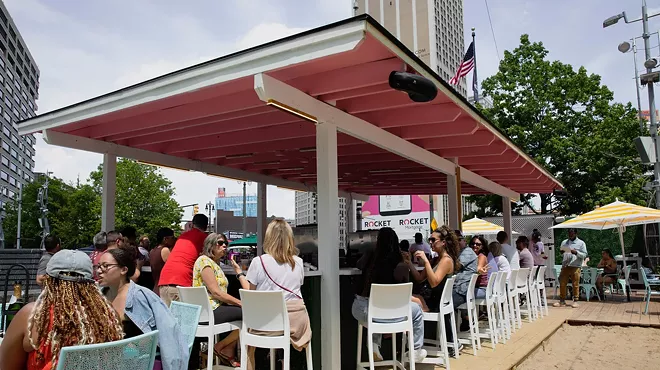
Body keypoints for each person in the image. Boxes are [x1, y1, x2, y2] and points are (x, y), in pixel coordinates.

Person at [0, 250, 123, 370]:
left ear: (48, 280)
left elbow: (5, 366)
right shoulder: (108, 315)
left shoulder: (31, 314)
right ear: (90, 284)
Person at [230, 218, 313, 370]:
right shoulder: (299, 262)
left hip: (266, 323)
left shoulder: (258, 262)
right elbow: (297, 286)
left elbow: (250, 293)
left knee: (248, 341)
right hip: (295, 324)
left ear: (269, 238)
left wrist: (239, 274)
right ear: (290, 238)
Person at [99, 245, 188, 370]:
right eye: (98, 266)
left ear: (123, 270)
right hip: (106, 356)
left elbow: (167, 334)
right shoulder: (99, 296)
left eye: (105, 266)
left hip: (135, 357)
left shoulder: (141, 297)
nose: (99, 271)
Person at [350, 227, 426, 362]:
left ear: (378, 241)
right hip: (390, 313)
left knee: (376, 310)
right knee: (417, 311)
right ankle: (415, 350)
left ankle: (374, 346)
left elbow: (358, 264)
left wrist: (370, 252)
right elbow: (403, 291)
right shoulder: (401, 265)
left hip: (362, 309)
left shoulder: (371, 255)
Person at [408, 226, 461, 355]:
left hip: (434, 303)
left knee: (402, 300)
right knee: (402, 298)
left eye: (433, 240)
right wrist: (408, 262)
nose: (430, 242)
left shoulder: (446, 260)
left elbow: (434, 282)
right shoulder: (437, 259)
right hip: (428, 299)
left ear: (443, 242)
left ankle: (413, 347)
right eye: (429, 239)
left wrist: (426, 262)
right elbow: (420, 278)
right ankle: (411, 345)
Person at [192, 233, 242, 368]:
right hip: (210, 311)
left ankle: (224, 347)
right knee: (249, 312)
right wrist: (240, 303)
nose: (224, 246)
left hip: (208, 310)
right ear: (211, 245)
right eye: (220, 243)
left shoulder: (212, 263)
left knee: (247, 313)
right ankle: (222, 347)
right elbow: (216, 292)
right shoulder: (204, 261)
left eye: (225, 243)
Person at [159, 214, 209, 307]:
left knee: (167, 319)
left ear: (192, 224)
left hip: (164, 280)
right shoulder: (204, 238)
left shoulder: (183, 236)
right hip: (181, 282)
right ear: (206, 226)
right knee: (183, 319)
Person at [452, 230, 487, 332]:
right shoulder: (466, 253)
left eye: (478, 244)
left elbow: (478, 269)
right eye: (473, 243)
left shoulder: (480, 256)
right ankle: (466, 319)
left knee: (448, 302)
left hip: (481, 289)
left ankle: (466, 320)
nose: (475, 246)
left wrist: (480, 270)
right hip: (472, 288)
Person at [553, 228, 588, 308]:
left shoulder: (581, 243)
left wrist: (576, 252)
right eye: (569, 233)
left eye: (572, 233)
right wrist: (562, 251)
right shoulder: (564, 242)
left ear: (576, 233)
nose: (570, 235)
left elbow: (584, 255)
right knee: (562, 283)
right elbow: (562, 251)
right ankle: (562, 301)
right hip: (565, 265)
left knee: (575, 284)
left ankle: (575, 300)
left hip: (575, 266)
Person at [149, 227, 175, 294]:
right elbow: (173, 268)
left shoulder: (152, 251)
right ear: (165, 239)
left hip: (156, 288)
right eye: (172, 238)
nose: (174, 240)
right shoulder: (165, 250)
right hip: (164, 289)